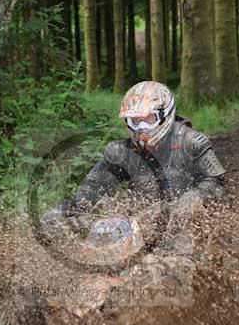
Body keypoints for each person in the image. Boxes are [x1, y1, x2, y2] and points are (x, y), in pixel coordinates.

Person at [41, 81, 225, 253]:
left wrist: (192, 199)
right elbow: (91, 190)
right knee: (99, 236)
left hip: (191, 228)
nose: (141, 127)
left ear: (165, 116)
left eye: (148, 119)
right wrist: (64, 212)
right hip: (143, 226)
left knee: (182, 249)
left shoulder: (192, 142)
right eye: (135, 121)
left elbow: (216, 183)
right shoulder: (120, 152)